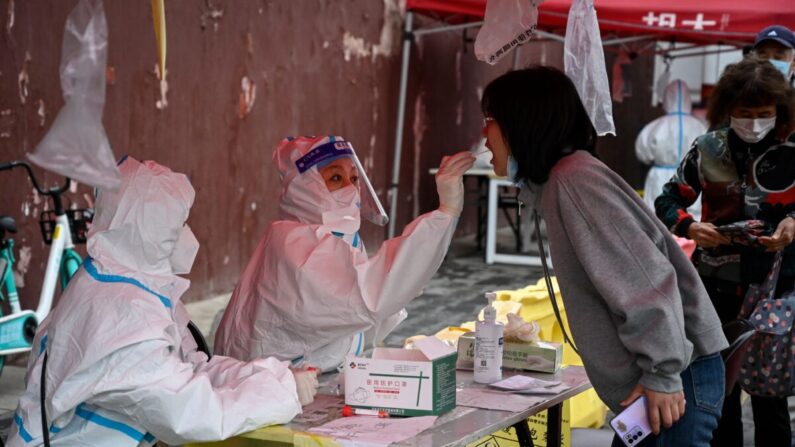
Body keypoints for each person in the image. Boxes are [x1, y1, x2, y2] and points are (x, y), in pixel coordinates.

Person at [481, 66, 728, 447]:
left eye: (490, 121)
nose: (484, 136)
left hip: (673, 381)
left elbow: (645, 284)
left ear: (521, 122)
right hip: (660, 380)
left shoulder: (575, 182)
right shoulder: (565, 180)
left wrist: (662, 373)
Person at [7, 157, 318, 447]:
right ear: (151, 233)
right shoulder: (121, 318)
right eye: (179, 225)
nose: (187, 235)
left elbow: (190, 366)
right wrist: (281, 392)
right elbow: (192, 413)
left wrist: (270, 375)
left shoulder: (120, 282)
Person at [214, 136, 475, 372]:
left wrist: (403, 282)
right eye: (335, 178)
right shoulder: (297, 245)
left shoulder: (332, 235)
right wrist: (445, 213)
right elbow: (369, 297)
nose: (350, 189)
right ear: (306, 188)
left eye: (354, 178)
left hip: (312, 377)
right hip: (266, 383)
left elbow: (357, 309)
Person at [655, 57, 795, 447]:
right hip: (715, 287)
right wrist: (690, 226)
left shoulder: (792, 149)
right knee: (718, 391)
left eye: (763, 114)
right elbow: (667, 200)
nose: (754, 123)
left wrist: (792, 225)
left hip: (775, 291)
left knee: (770, 398)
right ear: (727, 110)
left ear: (779, 111)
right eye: (744, 113)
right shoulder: (707, 148)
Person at [635, 79, 707, 221]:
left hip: (659, 178)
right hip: (690, 178)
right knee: (691, 220)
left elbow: (642, 154)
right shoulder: (700, 127)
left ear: (666, 99)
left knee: (656, 219)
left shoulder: (654, 127)